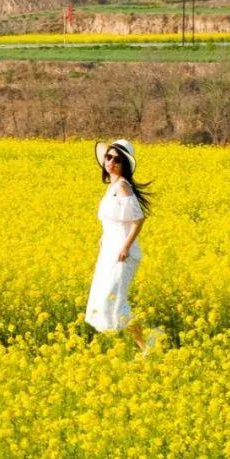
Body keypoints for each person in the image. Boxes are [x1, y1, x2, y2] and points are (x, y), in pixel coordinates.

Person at [84, 139, 156, 353]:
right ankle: (144, 346)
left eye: (117, 160)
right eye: (109, 157)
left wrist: (125, 247)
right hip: (110, 250)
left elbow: (138, 219)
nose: (111, 162)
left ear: (124, 164)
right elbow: (114, 218)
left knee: (115, 300)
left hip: (122, 253)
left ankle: (146, 347)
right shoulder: (113, 187)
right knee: (107, 298)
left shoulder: (123, 186)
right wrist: (104, 238)